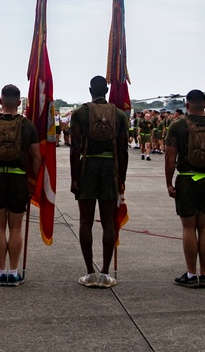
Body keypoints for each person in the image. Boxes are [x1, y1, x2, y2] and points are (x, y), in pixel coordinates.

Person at [164, 89, 205, 288]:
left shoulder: (177, 126)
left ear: (187, 104)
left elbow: (169, 157)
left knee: (189, 227)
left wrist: (169, 182)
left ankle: (191, 274)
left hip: (187, 179)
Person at [0, 84, 41, 287]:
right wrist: (33, 181)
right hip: (18, 178)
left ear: (0, 101)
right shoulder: (27, 125)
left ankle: (0, 272)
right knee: (16, 227)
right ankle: (13, 273)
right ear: (19, 102)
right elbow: (37, 157)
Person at [70, 75, 129, 288]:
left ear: (90, 90)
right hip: (110, 170)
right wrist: (121, 177)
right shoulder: (119, 115)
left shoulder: (80, 113)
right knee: (108, 222)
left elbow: (75, 148)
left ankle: (89, 272)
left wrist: (74, 177)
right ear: (107, 89)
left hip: (87, 168)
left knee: (85, 221)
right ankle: (105, 272)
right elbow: (123, 149)